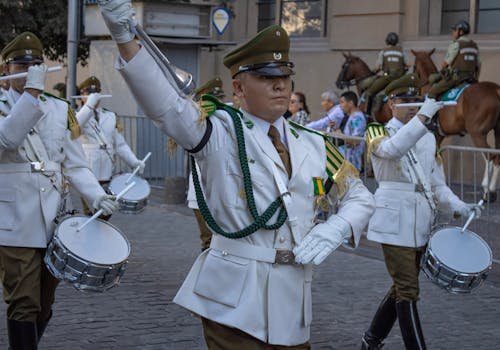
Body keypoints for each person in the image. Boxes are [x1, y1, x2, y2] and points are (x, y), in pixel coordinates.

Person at [98, 2, 375, 348]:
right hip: (231, 302)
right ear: (240, 89)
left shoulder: (315, 144)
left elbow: (360, 197)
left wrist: (338, 227)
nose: (279, 86)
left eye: (284, 77)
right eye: (265, 77)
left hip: (291, 304)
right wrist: (125, 38)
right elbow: (167, 108)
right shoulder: (221, 132)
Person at [0, 32, 118, 349]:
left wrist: (95, 195)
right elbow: (6, 140)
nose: (29, 68)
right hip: (12, 220)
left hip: (53, 218)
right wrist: (32, 94)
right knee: (23, 299)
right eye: (21, 64)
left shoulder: (58, 109)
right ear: (6, 70)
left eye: (36, 64)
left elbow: (76, 165)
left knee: (44, 300)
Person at [361, 78, 483, 350]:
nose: (413, 107)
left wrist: (459, 206)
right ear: (391, 103)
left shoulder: (428, 138)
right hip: (393, 222)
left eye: (416, 101)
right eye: (405, 102)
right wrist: (425, 115)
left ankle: (371, 340)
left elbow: (437, 184)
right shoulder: (376, 130)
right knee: (408, 290)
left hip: (420, 222)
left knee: (401, 289)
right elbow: (392, 150)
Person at [75, 75, 145, 218]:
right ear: (81, 94)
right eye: (88, 92)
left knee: (106, 213)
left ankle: (99, 238)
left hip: (106, 171)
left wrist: (134, 161)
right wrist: (88, 107)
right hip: (88, 172)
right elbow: (75, 126)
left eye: (96, 93)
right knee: (91, 213)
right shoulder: (78, 115)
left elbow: (120, 145)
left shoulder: (110, 116)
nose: (93, 96)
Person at [186, 76, 226, 251]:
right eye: (210, 99)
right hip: (201, 189)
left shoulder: (229, 118)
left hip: (226, 189)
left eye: (219, 99)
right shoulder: (194, 122)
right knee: (208, 241)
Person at [427, 20, 481, 99]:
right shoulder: (474, 45)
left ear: (461, 32)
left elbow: (446, 63)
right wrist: (476, 78)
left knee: (433, 91)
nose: (453, 32)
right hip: (470, 78)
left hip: (456, 78)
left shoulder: (456, 44)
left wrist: (442, 72)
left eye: (455, 30)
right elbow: (479, 64)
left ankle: (430, 111)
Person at [359, 32, 409, 115]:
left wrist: (373, 72)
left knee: (370, 92)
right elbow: (407, 65)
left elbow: (378, 67)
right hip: (400, 79)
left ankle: (367, 114)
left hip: (387, 78)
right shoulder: (401, 51)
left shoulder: (384, 51)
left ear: (387, 41)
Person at [337, 91, 366, 172]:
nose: (340, 105)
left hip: (352, 164)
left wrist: (339, 134)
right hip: (347, 163)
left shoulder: (357, 118)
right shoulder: (353, 116)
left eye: (342, 102)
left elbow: (355, 141)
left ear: (350, 103)